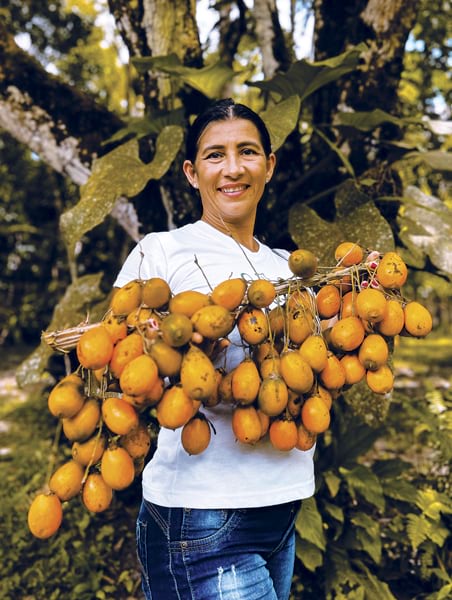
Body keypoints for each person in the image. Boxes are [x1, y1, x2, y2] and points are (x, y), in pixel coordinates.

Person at [114, 98, 315, 600]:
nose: (232, 168)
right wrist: (171, 342)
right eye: (214, 155)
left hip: (282, 508)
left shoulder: (288, 270)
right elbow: (118, 362)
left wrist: (364, 279)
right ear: (191, 172)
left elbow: (321, 360)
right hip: (200, 519)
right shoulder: (162, 252)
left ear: (268, 166)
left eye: (247, 152)